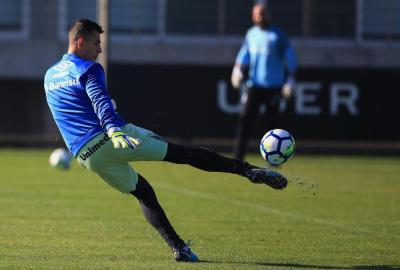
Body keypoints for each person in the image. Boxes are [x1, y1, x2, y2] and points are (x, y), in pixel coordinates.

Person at [44, 18, 288, 263]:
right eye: (96, 43)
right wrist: (112, 128)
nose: (99, 49)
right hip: (113, 137)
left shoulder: (50, 76)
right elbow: (100, 99)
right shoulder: (89, 68)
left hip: (87, 155)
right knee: (184, 155)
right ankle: (249, 171)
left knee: (143, 192)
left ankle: (179, 249)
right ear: (80, 42)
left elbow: (70, 111)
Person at [231, 3, 298, 161]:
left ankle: (276, 160)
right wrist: (237, 69)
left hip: (273, 87)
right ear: (253, 16)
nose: (260, 17)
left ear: (269, 15)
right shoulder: (251, 34)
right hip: (254, 86)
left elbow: (290, 57)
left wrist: (291, 78)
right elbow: (244, 54)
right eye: (257, 14)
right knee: (245, 120)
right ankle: (237, 159)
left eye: (263, 13)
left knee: (273, 125)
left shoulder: (278, 35)